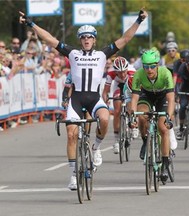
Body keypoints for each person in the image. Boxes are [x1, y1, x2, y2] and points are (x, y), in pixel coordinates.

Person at [19, 8, 148, 190]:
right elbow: (48, 38)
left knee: (104, 119)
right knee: (71, 135)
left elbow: (125, 38)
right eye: (83, 37)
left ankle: (95, 148)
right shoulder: (72, 53)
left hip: (94, 99)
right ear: (80, 40)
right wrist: (31, 23)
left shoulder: (102, 54)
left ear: (94, 40)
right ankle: (72, 175)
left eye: (90, 37)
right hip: (77, 100)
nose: (87, 40)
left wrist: (139, 20)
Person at [129, 49, 175, 183]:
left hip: (162, 97)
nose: (149, 70)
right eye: (146, 66)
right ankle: (145, 142)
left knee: (162, 128)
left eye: (152, 66)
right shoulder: (139, 75)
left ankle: (165, 164)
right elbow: (134, 99)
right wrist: (133, 117)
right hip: (146, 95)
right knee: (142, 116)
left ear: (157, 65)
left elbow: (171, 99)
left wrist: (169, 117)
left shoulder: (166, 73)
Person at [102, 56, 137, 154]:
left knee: (130, 103)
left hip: (129, 84)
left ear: (127, 69)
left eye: (124, 72)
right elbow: (105, 91)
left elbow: (135, 91)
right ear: (115, 71)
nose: (122, 74)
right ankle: (117, 140)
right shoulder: (111, 72)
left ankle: (134, 124)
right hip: (118, 85)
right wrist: (105, 102)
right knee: (117, 110)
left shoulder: (132, 71)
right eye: (119, 72)